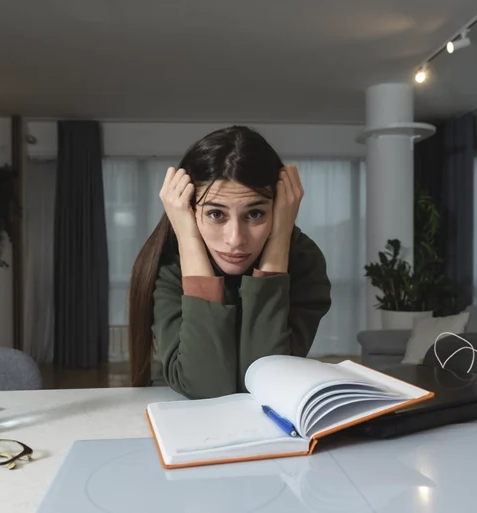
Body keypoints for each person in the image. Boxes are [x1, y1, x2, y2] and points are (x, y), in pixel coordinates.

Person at [128, 125, 332, 399]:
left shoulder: (302, 260)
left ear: (281, 209)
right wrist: (188, 238)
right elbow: (204, 386)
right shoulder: (168, 264)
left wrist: (280, 238)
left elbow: (267, 380)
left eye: (256, 213)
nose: (235, 239)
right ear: (187, 209)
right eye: (215, 214)